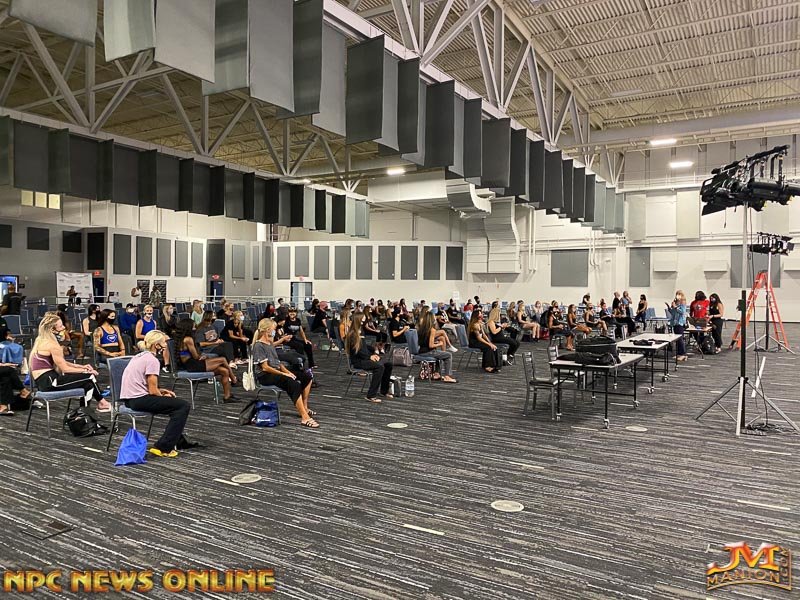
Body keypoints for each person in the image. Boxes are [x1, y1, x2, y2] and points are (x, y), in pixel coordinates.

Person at [120, 330, 190, 458]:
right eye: (163, 342)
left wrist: (161, 391)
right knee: (182, 406)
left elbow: (144, 384)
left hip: (129, 399)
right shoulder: (152, 360)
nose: (166, 345)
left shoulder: (139, 356)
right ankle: (163, 447)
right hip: (139, 400)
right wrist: (162, 396)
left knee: (173, 405)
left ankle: (174, 440)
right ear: (156, 345)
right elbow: (152, 391)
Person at [31, 312, 109, 411]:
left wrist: (82, 367)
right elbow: (65, 369)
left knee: (88, 385)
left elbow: (62, 362)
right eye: (60, 326)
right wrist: (85, 371)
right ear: (52, 330)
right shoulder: (51, 345)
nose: (64, 328)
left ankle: (85, 413)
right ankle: (102, 403)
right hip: (49, 382)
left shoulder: (41, 340)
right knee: (90, 376)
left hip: (45, 381)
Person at [252, 318, 317, 427]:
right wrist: (284, 374)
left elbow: (278, 363)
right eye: (273, 329)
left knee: (306, 377)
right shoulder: (259, 346)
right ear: (268, 330)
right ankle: (305, 417)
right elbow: (265, 368)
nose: (274, 331)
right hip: (265, 376)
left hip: (275, 372)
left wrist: (288, 372)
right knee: (292, 383)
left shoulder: (269, 343)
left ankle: (304, 407)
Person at [175, 319, 237, 402]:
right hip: (192, 365)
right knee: (222, 360)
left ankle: (227, 397)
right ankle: (234, 380)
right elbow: (196, 356)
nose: (195, 328)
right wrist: (202, 357)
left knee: (224, 371)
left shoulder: (182, 338)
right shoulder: (188, 339)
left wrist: (202, 356)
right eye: (193, 326)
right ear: (188, 327)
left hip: (192, 363)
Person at [345, 313, 394, 403]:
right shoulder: (353, 334)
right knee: (379, 367)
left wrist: (374, 352)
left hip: (365, 358)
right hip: (358, 361)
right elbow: (357, 351)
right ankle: (371, 395)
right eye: (362, 320)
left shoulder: (361, 331)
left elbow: (364, 347)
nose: (364, 321)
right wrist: (370, 357)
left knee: (388, 364)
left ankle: (384, 391)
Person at [417, 312, 457, 383]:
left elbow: (423, 342)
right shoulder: (432, 330)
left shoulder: (421, 329)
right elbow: (431, 345)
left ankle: (436, 373)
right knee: (448, 355)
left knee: (440, 354)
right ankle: (447, 376)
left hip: (421, 351)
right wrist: (440, 344)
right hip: (428, 352)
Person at [668, 290, 689, 361]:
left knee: (680, 339)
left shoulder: (683, 302)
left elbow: (682, 312)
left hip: (680, 322)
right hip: (674, 322)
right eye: (677, 294)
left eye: (679, 294)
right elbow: (673, 313)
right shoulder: (675, 302)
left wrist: (675, 307)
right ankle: (678, 354)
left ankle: (682, 354)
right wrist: (670, 308)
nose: (678, 295)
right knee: (676, 339)